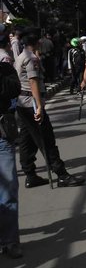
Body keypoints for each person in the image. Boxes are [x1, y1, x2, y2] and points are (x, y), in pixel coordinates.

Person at [14, 28, 85, 188]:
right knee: (46, 139)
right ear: (38, 42)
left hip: (22, 102)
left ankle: (30, 174)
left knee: (26, 140)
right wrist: (39, 106)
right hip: (31, 103)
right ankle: (61, 174)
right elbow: (33, 83)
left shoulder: (21, 56)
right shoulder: (31, 59)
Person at [0, 28, 22, 259]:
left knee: (8, 189)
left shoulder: (5, 67)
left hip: (2, 135)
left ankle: (9, 240)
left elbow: (14, 90)